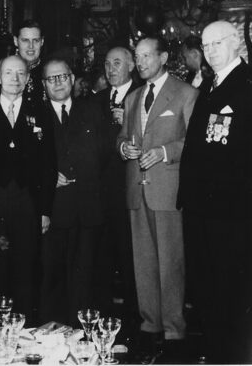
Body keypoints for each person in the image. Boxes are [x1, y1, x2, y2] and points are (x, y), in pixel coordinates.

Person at [117, 36, 198, 362]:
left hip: (167, 192)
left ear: (163, 57)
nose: (140, 63)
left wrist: (164, 152)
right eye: (137, 57)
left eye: (147, 56)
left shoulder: (185, 93)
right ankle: (149, 327)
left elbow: (193, 141)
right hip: (137, 191)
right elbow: (122, 136)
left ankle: (174, 332)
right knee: (144, 265)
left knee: (171, 264)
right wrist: (124, 147)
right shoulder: (133, 97)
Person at [178, 20, 252, 363]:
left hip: (232, 212)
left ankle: (234, 357)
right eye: (205, 45)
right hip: (200, 209)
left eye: (217, 43)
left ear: (236, 42)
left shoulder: (248, 84)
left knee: (232, 293)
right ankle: (215, 352)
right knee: (206, 287)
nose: (209, 51)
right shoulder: (210, 84)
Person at [0, 55, 56, 322]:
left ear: (27, 79)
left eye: (20, 73)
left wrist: (45, 209)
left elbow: (48, 164)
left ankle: (23, 331)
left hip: (26, 201)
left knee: (25, 269)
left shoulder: (39, 112)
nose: (14, 79)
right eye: (8, 73)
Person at [39, 58, 110, 326]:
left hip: (88, 209)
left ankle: (82, 336)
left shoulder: (92, 110)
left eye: (62, 77)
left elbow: (104, 154)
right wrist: (47, 176)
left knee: (85, 280)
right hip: (53, 210)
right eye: (51, 78)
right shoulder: (35, 115)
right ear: (44, 84)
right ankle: (52, 337)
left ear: (71, 79)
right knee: (52, 278)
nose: (58, 83)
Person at [92, 46, 141, 320]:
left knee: (131, 260)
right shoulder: (96, 100)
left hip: (129, 192)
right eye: (108, 63)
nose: (111, 69)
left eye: (117, 63)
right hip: (101, 195)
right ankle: (102, 320)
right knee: (102, 260)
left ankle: (136, 322)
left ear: (131, 65)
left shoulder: (142, 96)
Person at [14, 20, 45, 108]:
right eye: (25, 40)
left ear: (42, 41)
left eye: (36, 40)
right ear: (16, 41)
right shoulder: (3, 72)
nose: (31, 46)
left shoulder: (49, 72)